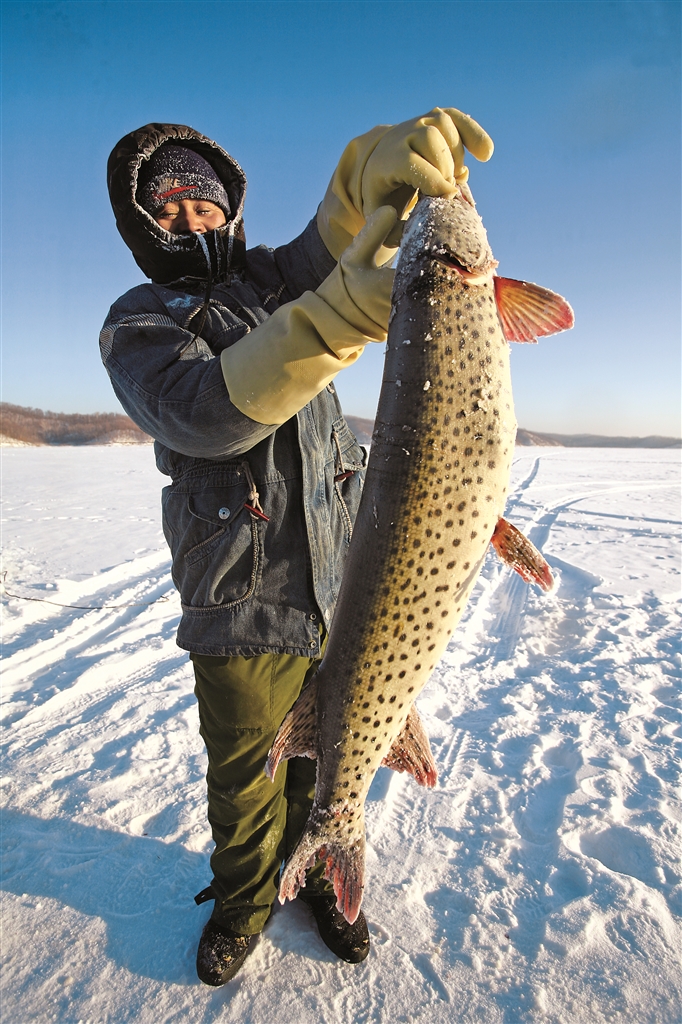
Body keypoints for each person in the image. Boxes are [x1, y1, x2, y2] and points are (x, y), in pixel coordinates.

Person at [102, 109, 493, 986]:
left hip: (343, 580)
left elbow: (330, 244)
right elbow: (207, 414)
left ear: (229, 210)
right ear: (142, 224)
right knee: (246, 781)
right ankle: (245, 899)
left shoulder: (274, 280)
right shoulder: (136, 322)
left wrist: (365, 183)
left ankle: (319, 871)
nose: (192, 220)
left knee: (332, 752)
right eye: (169, 209)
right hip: (237, 596)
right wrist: (326, 322)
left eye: (205, 205)